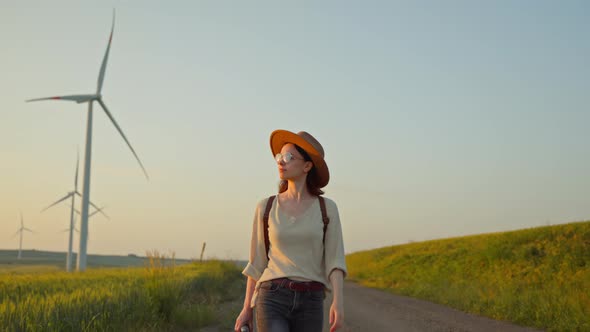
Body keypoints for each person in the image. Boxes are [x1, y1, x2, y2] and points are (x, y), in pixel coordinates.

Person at [234, 130, 347, 332]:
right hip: (272, 297)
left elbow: (335, 260)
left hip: (311, 300)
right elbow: (257, 263)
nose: (281, 162)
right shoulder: (266, 207)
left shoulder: (327, 208)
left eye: (288, 157)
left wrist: (337, 302)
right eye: (279, 157)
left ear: (307, 166)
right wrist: (246, 309)